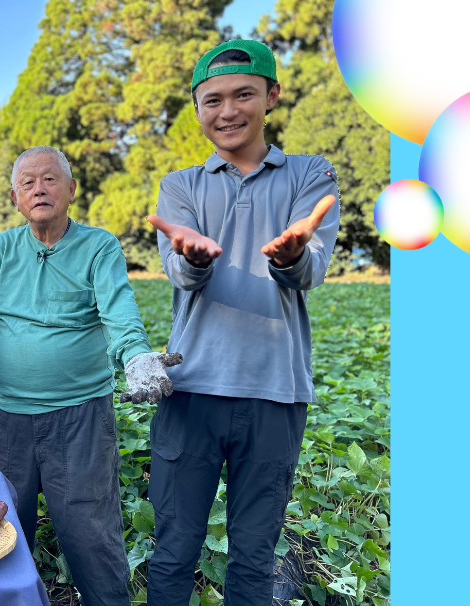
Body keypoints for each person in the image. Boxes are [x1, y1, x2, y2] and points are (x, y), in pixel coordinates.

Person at [0, 146, 181, 606]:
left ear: (71, 190)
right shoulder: (0, 249)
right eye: (28, 182)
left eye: (49, 179)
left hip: (80, 419)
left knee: (90, 533)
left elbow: (119, 311)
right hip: (8, 421)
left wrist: (137, 357)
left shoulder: (97, 245)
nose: (39, 189)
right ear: (14, 197)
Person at [144, 40, 340, 606]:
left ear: (272, 96)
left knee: (254, 554)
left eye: (243, 95)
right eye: (212, 100)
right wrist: (195, 258)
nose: (226, 111)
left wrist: (289, 257)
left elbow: (312, 269)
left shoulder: (309, 174)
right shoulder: (181, 185)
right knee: (175, 547)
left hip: (274, 394)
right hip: (190, 391)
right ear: (198, 108)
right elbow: (180, 273)